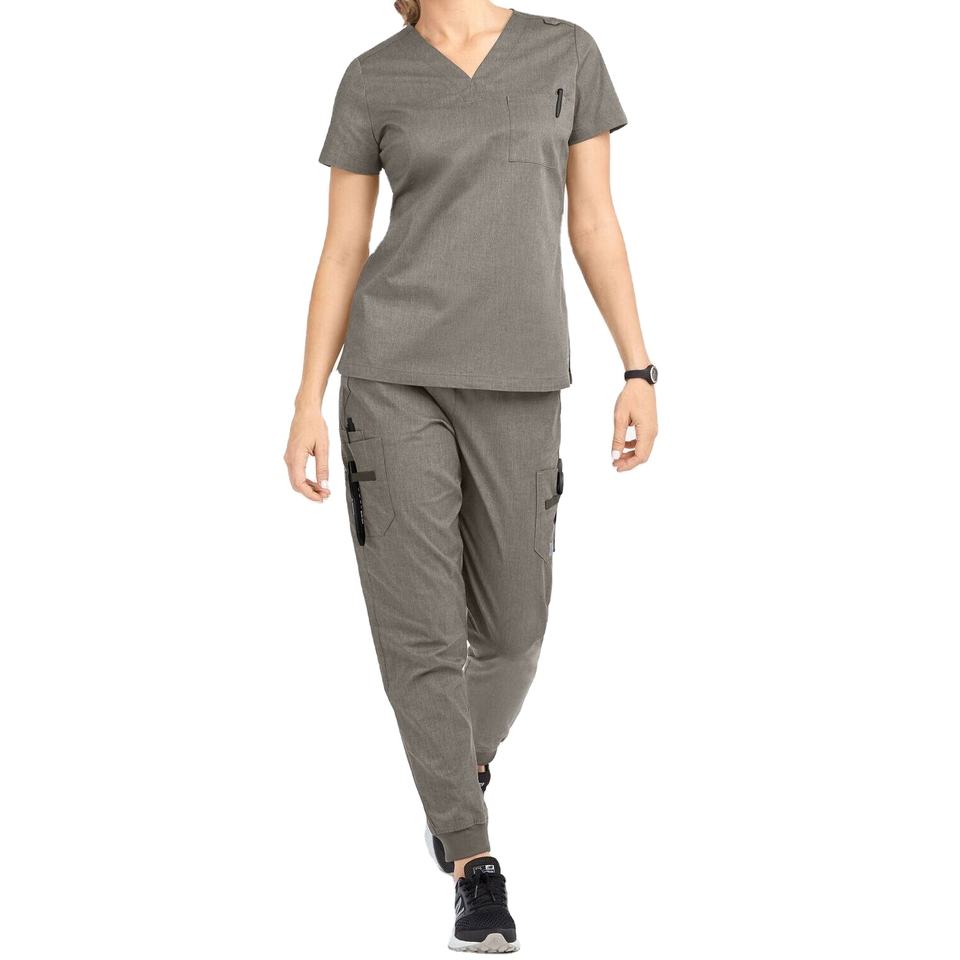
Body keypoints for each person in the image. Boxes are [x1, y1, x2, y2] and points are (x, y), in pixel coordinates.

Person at [284, 1, 657, 952]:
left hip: (522, 379)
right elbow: (342, 249)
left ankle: (459, 765)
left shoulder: (567, 53)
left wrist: (638, 368)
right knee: (420, 632)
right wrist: (307, 400)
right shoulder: (373, 77)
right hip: (392, 375)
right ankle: (471, 856)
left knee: (515, 631)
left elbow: (594, 220)